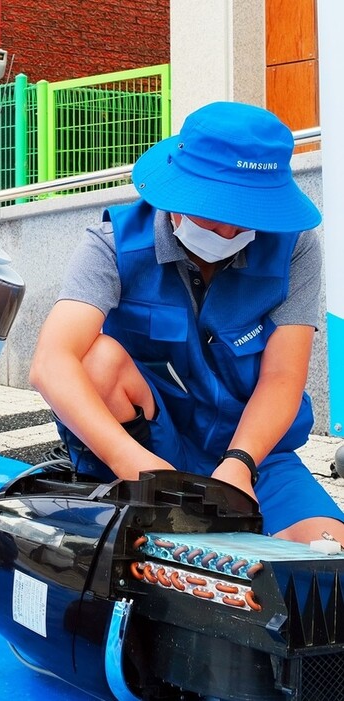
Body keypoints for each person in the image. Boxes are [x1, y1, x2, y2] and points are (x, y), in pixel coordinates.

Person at [28, 101, 344, 545]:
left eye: (247, 216)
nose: (230, 234)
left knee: (322, 563)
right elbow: (51, 363)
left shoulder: (295, 248)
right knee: (95, 359)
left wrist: (240, 462)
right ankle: (125, 502)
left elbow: (282, 378)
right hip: (152, 447)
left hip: (254, 454)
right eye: (216, 215)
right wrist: (137, 465)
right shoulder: (112, 244)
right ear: (176, 193)